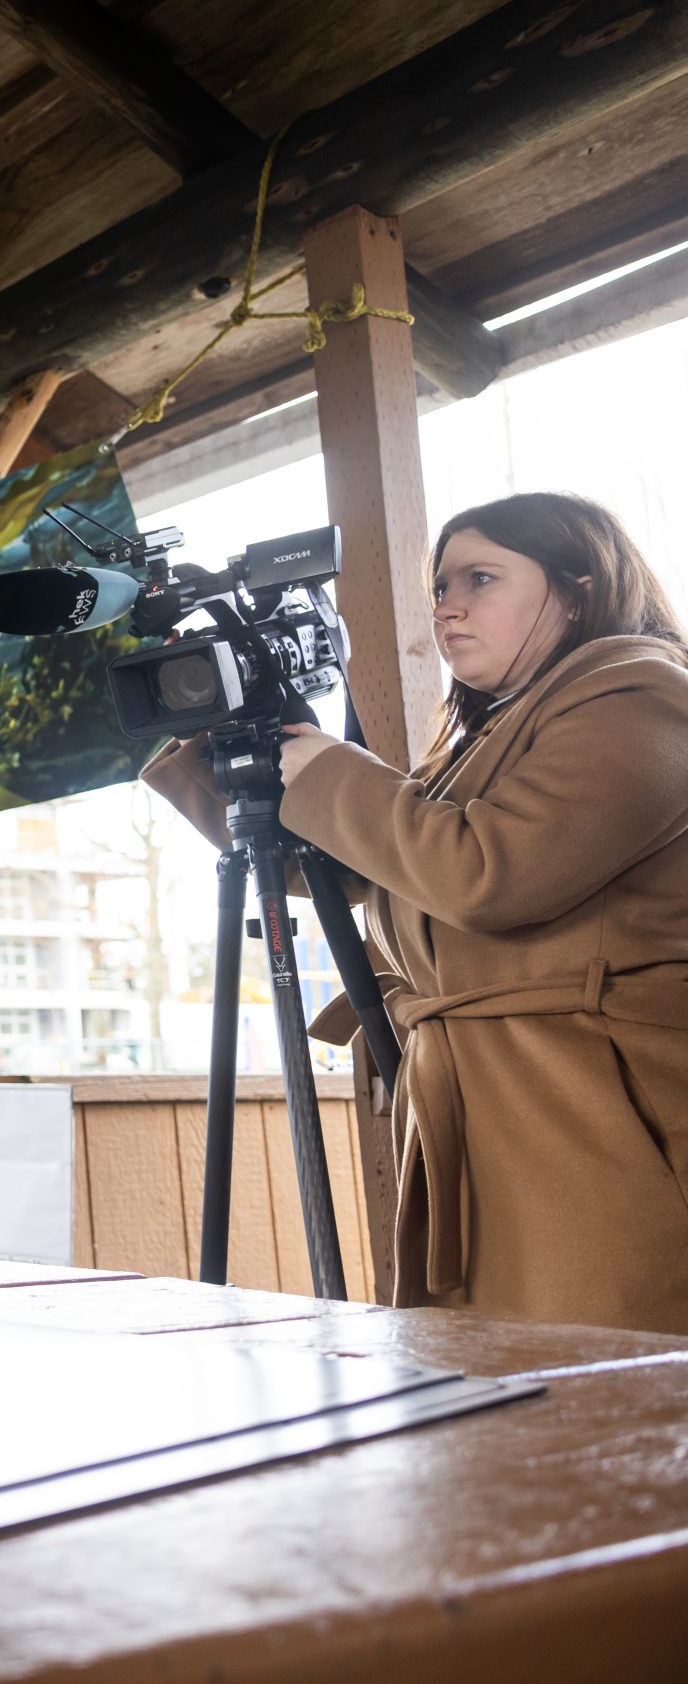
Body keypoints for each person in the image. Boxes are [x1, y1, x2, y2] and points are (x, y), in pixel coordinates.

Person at [144, 492, 688, 1333]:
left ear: (577, 591)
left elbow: (488, 875)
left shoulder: (644, 692)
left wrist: (331, 768)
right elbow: (360, 866)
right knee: (504, 1399)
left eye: (480, 578)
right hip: (498, 1109)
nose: (448, 607)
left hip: (600, 1116)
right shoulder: (485, 739)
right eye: (439, 587)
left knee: (612, 1391)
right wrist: (225, 750)